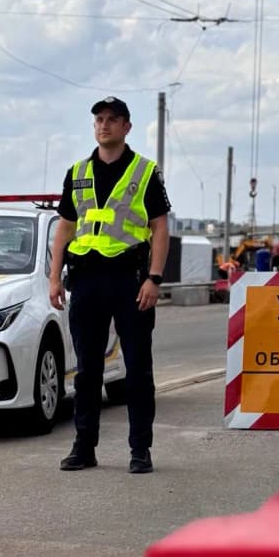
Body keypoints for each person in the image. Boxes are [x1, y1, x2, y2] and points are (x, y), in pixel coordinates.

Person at [48, 96, 171, 474]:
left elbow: (160, 227)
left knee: (137, 369)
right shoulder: (78, 172)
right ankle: (84, 447)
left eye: (113, 120)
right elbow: (65, 228)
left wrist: (154, 278)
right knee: (86, 372)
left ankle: (140, 450)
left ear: (127, 127)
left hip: (130, 280)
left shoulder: (145, 172)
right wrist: (55, 276)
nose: (104, 125)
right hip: (85, 279)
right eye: (99, 120)